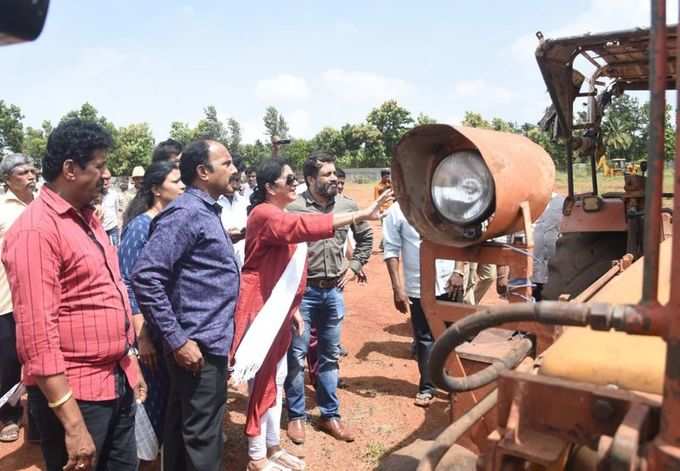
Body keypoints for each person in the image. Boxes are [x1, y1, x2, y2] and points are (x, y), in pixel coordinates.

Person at [1, 118, 146, 471]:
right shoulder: (37, 230)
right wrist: (73, 422)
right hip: (77, 397)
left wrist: (130, 360)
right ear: (69, 169)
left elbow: (107, 292)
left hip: (115, 380)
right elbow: (37, 339)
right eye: (98, 165)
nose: (107, 174)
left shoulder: (86, 219)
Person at [230, 158, 390, 470]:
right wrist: (362, 214)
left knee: (275, 378)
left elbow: (284, 268)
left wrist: (291, 309)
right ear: (269, 187)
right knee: (263, 382)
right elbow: (302, 229)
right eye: (288, 180)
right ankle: (256, 456)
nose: (294, 184)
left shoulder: (277, 212)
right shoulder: (266, 214)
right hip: (261, 311)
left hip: (279, 309)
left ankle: (272, 446)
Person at [132, 139, 240, 471]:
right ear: (203, 172)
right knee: (203, 442)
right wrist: (177, 340)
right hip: (197, 349)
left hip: (203, 344)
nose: (234, 169)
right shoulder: (186, 212)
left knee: (183, 432)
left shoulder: (202, 210)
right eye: (227, 163)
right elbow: (146, 277)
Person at [285, 151, 375, 445]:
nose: (334, 178)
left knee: (329, 355)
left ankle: (329, 415)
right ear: (310, 179)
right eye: (327, 174)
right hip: (303, 294)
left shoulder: (348, 205)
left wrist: (355, 266)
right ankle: (297, 416)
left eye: (335, 173)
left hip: (334, 291)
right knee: (297, 357)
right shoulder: (294, 207)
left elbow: (366, 239)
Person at [118, 161, 185, 461]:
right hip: (148, 332)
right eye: (177, 182)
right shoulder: (140, 227)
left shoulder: (169, 221)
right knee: (152, 401)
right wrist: (142, 338)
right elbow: (130, 284)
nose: (183, 187)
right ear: (157, 190)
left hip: (167, 328)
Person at [383, 201, 457, 407]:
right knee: (425, 338)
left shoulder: (445, 201)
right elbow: (391, 249)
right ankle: (427, 386)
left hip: (450, 282)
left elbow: (459, 237)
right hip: (418, 286)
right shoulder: (397, 211)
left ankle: (454, 384)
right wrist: (397, 288)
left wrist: (458, 270)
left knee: (452, 335)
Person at [0, 154, 36, 443]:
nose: (31, 175)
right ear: (8, 178)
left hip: (39, 293)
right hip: (7, 296)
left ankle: (37, 418)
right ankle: (7, 416)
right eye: (23, 172)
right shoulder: (1, 209)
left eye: (32, 170)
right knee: (9, 357)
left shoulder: (41, 203)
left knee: (37, 355)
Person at [532, 192, 565, 301]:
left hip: (553, 247)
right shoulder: (531, 200)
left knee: (551, 278)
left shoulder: (561, 201)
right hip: (533, 248)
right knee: (534, 280)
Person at [218, 170, 248, 269]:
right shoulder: (211, 203)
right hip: (219, 263)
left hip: (242, 263)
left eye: (238, 180)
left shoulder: (245, 203)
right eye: (232, 179)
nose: (235, 184)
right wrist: (226, 237)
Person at [373, 169, 392, 252]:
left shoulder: (390, 185)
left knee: (391, 228)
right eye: (386, 176)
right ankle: (383, 245)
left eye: (389, 175)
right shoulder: (378, 187)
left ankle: (383, 245)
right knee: (386, 228)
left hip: (391, 208)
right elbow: (376, 199)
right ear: (382, 176)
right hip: (383, 210)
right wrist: (380, 209)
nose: (388, 177)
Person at [100, 168, 120, 246]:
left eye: (107, 179)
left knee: (115, 251)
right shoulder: (93, 196)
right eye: (103, 179)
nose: (105, 182)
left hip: (112, 228)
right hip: (99, 229)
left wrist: (118, 225)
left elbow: (116, 210)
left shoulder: (114, 194)